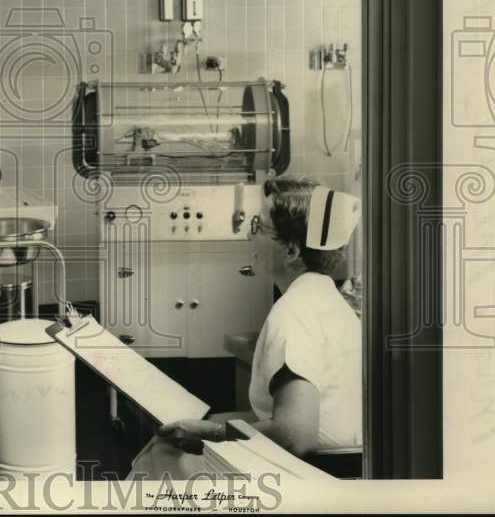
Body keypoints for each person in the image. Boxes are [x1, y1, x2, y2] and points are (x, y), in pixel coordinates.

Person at [130, 176, 362, 477]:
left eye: (258, 227)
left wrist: (211, 431)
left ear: (291, 250)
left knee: (162, 458)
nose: (249, 237)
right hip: (339, 468)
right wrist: (200, 422)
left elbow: (295, 436)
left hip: (314, 476)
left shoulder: (295, 312)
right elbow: (279, 418)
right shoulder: (326, 298)